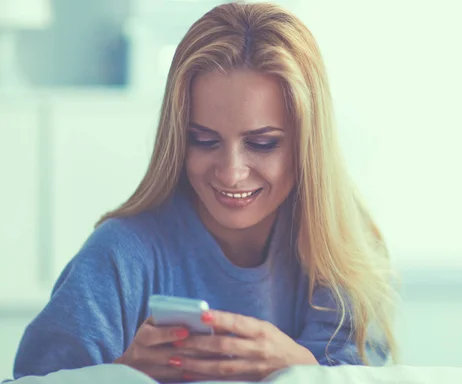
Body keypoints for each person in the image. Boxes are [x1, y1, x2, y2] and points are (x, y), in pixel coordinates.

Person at [12, 2, 398, 382]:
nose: (231, 174)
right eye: (203, 140)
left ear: (308, 145)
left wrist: (304, 371)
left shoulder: (347, 247)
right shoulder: (119, 257)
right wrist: (123, 375)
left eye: (263, 144)